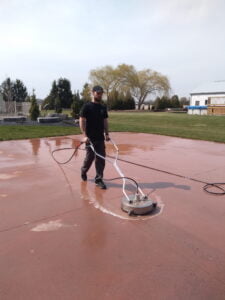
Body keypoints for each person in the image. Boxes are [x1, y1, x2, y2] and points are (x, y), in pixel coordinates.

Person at [79, 85, 110, 189]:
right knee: (89, 158)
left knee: (101, 159)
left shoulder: (102, 107)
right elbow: (82, 120)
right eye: (98, 93)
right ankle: (83, 171)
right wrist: (84, 136)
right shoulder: (87, 106)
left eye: (101, 93)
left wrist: (107, 133)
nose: (100, 95)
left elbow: (105, 121)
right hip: (90, 138)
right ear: (93, 93)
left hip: (100, 138)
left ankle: (99, 179)